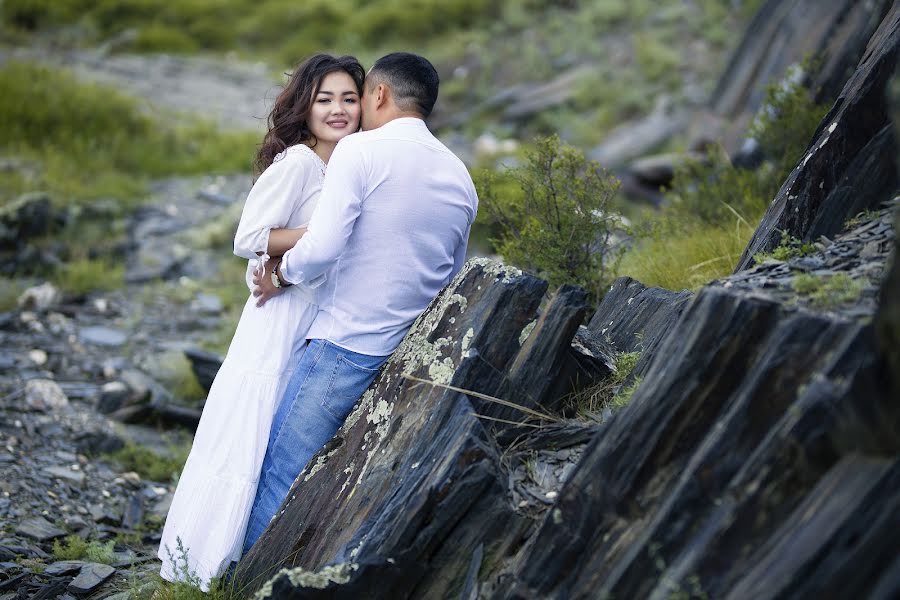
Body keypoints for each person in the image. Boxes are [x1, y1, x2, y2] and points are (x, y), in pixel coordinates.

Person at [241, 52, 479, 553]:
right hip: (408, 357)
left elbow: (324, 246)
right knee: (354, 489)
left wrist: (281, 275)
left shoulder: (362, 151)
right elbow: (454, 277)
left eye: (359, 94)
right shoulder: (461, 176)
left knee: (284, 475)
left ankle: (246, 583)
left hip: (341, 346)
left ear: (380, 95)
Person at [157, 53, 365, 591]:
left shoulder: (351, 163)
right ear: (305, 106)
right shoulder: (298, 162)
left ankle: (252, 556)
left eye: (348, 98)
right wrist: (324, 233)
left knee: (284, 434)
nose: (338, 110)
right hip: (281, 319)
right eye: (325, 99)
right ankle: (208, 565)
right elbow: (248, 237)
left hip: (319, 309)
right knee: (255, 430)